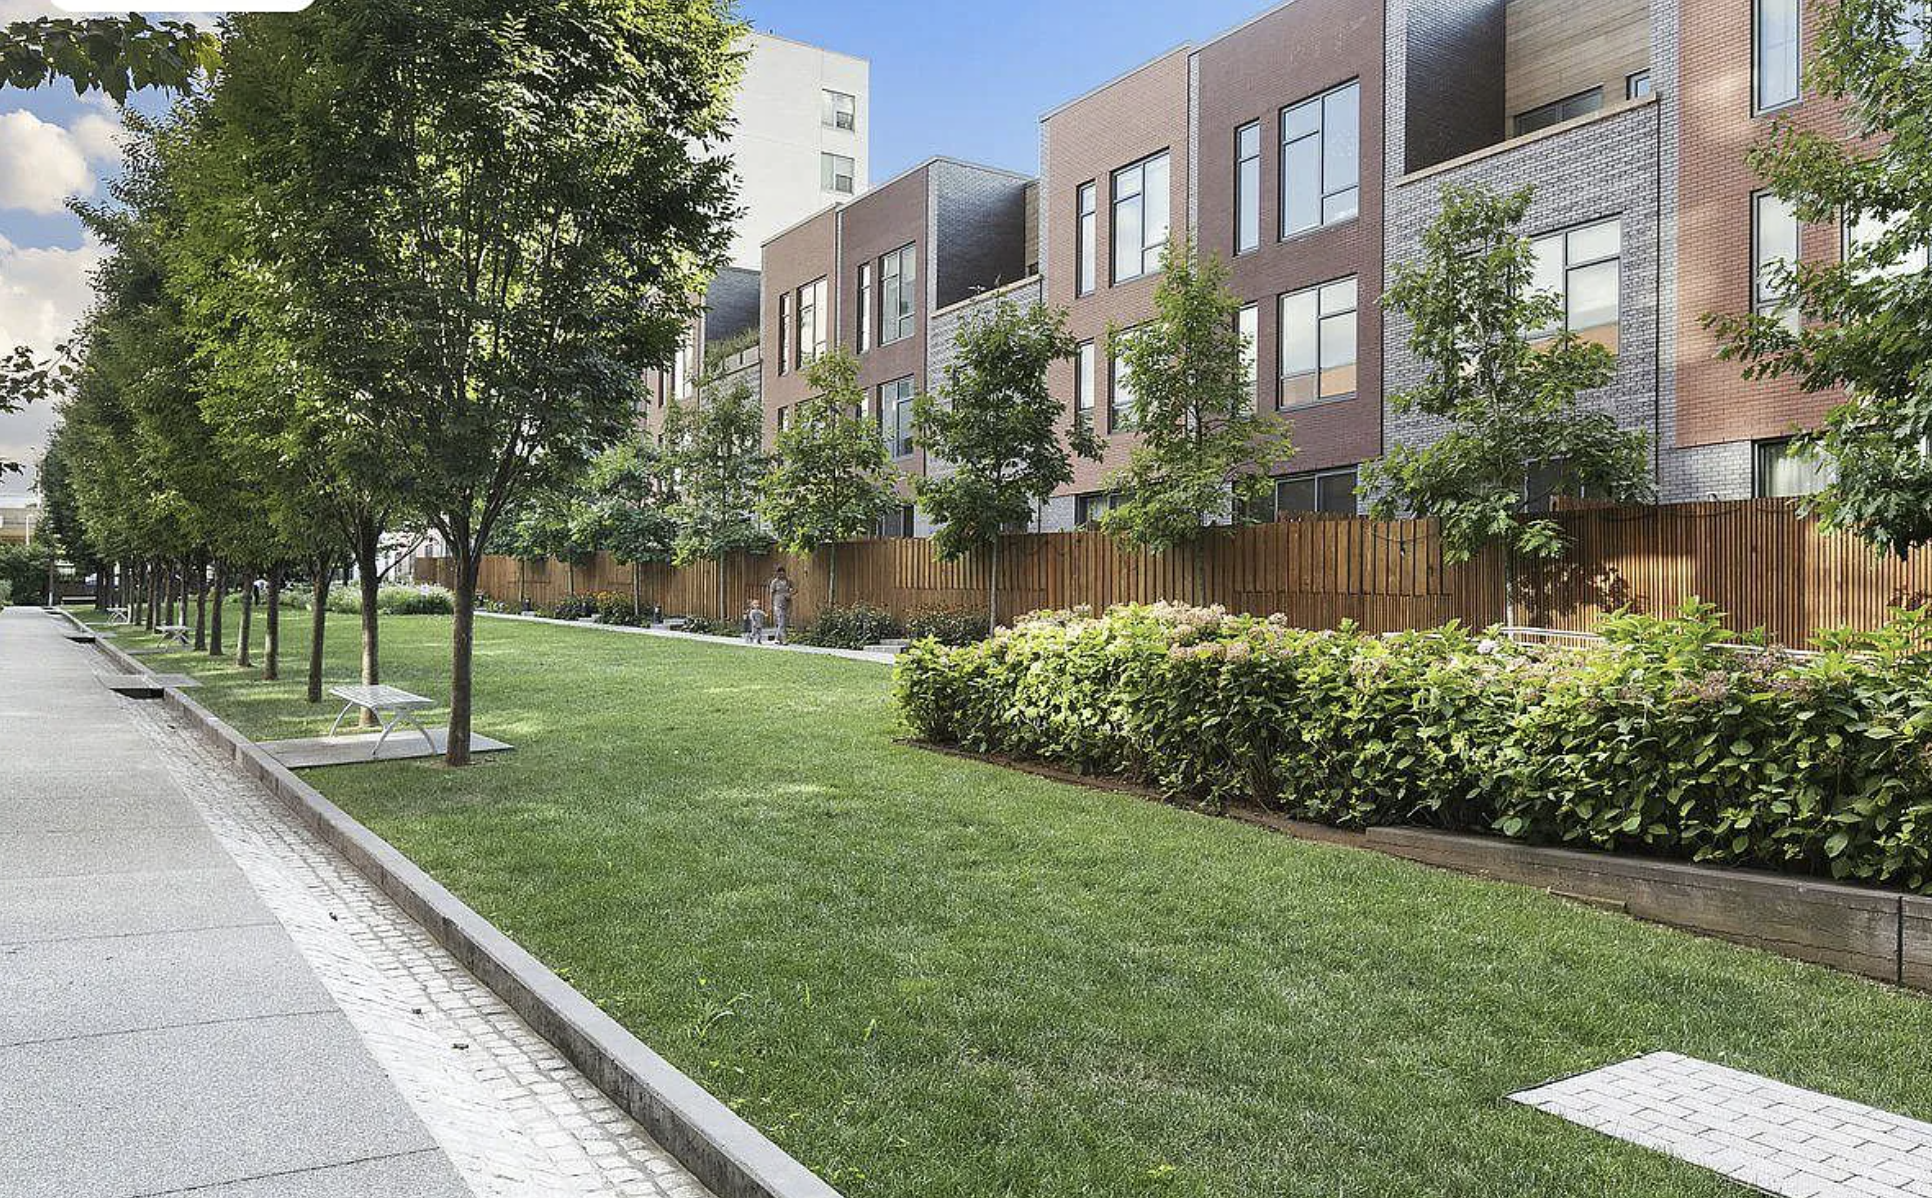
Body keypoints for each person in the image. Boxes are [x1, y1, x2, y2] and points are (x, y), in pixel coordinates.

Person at [767, 566, 796, 644]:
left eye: (783, 573)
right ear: (777, 574)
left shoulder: (789, 581)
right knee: (781, 620)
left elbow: (795, 589)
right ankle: (784, 639)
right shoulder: (774, 582)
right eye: (779, 573)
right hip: (777, 604)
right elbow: (771, 594)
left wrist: (790, 594)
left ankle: (777, 638)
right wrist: (770, 605)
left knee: (784, 621)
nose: (781, 574)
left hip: (787, 604)